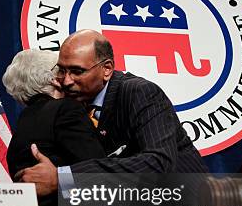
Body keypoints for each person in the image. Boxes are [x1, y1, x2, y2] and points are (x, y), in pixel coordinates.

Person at [16, 29, 207, 196]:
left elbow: (158, 163)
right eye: (61, 70)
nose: (66, 81)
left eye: (76, 71)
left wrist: (63, 178)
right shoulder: (75, 103)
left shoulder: (139, 92)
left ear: (106, 69)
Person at [3, 49, 106, 206]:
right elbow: (98, 176)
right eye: (63, 71)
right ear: (55, 80)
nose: (70, 77)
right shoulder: (66, 110)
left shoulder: (24, 122)